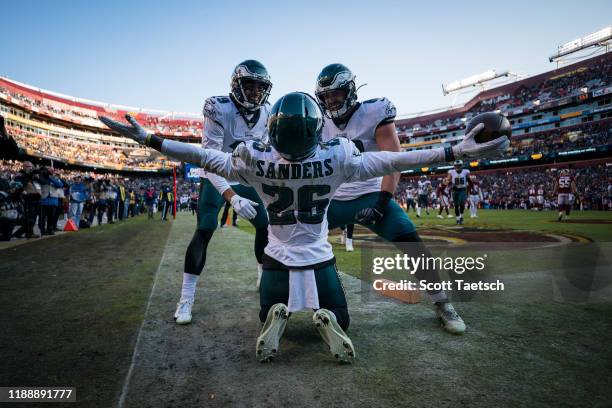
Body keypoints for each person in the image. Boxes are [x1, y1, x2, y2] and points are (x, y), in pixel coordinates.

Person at [100, 92, 508, 364]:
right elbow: (393, 161)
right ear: (317, 130)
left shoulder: (254, 160)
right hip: (320, 257)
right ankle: (324, 315)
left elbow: (203, 156)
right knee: (341, 317)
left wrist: (151, 140)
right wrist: (453, 150)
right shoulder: (338, 158)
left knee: (266, 309)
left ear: (273, 132)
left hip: (275, 260)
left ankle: (278, 313)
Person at [316, 63, 472, 334]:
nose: (331, 101)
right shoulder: (318, 122)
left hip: (370, 194)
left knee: (410, 241)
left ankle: (441, 302)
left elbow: (394, 161)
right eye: (326, 96)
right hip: (334, 199)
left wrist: (382, 202)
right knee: (301, 239)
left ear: (350, 91)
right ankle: (291, 299)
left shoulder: (374, 112)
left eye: (337, 94)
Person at [172, 60, 272, 324]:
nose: (254, 92)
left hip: (246, 176)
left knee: (265, 224)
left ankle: (263, 272)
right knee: (205, 227)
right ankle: (186, 297)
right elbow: (210, 160)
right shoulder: (219, 108)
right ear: (237, 86)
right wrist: (232, 197)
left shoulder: (268, 112)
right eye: (249, 86)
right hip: (216, 174)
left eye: (259, 87)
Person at [448, 160, 470, 225]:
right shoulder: (451, 172)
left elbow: (468, 180)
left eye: (459, 165)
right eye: (456, 165)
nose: (457, 167)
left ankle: (461, 217)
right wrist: (450, 184)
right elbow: (448, 180)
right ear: (454, 166)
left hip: (462, 189)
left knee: (462, 203)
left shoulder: (466, 171)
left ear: (461, 165)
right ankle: (457, 219)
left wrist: (470, 186)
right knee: (456, 205)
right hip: (455, 190)